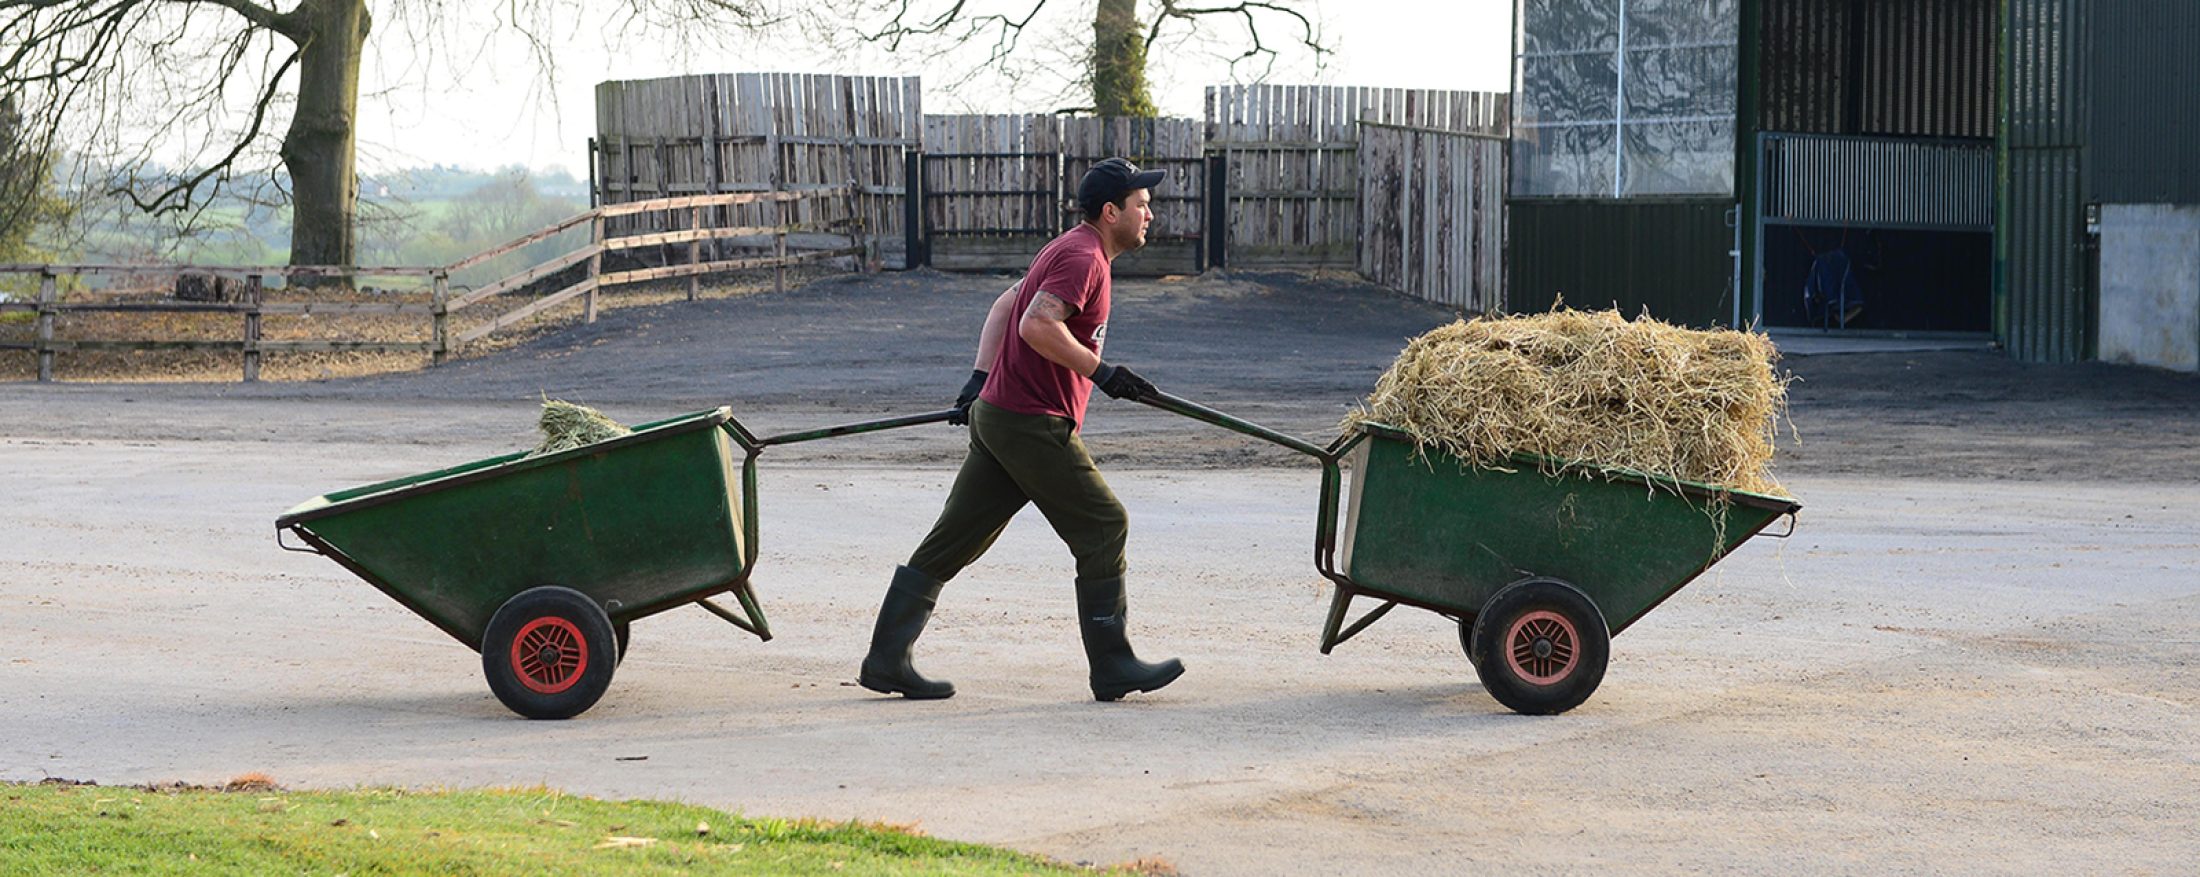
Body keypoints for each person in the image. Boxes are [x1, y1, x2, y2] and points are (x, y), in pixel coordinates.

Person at [858, 158, 1184, 703]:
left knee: (953, 539)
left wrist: (978, 380)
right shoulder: (1084, 258)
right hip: (1029, 421)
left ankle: (885, 659)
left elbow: (1009, 303)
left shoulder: (1070, 247)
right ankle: (1113, 664)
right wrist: (1102, 373)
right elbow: (1035, 323)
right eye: (1141, 204)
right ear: (1111, 212)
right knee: (1105, 524)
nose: (1150, 213)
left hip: (1000, 415)